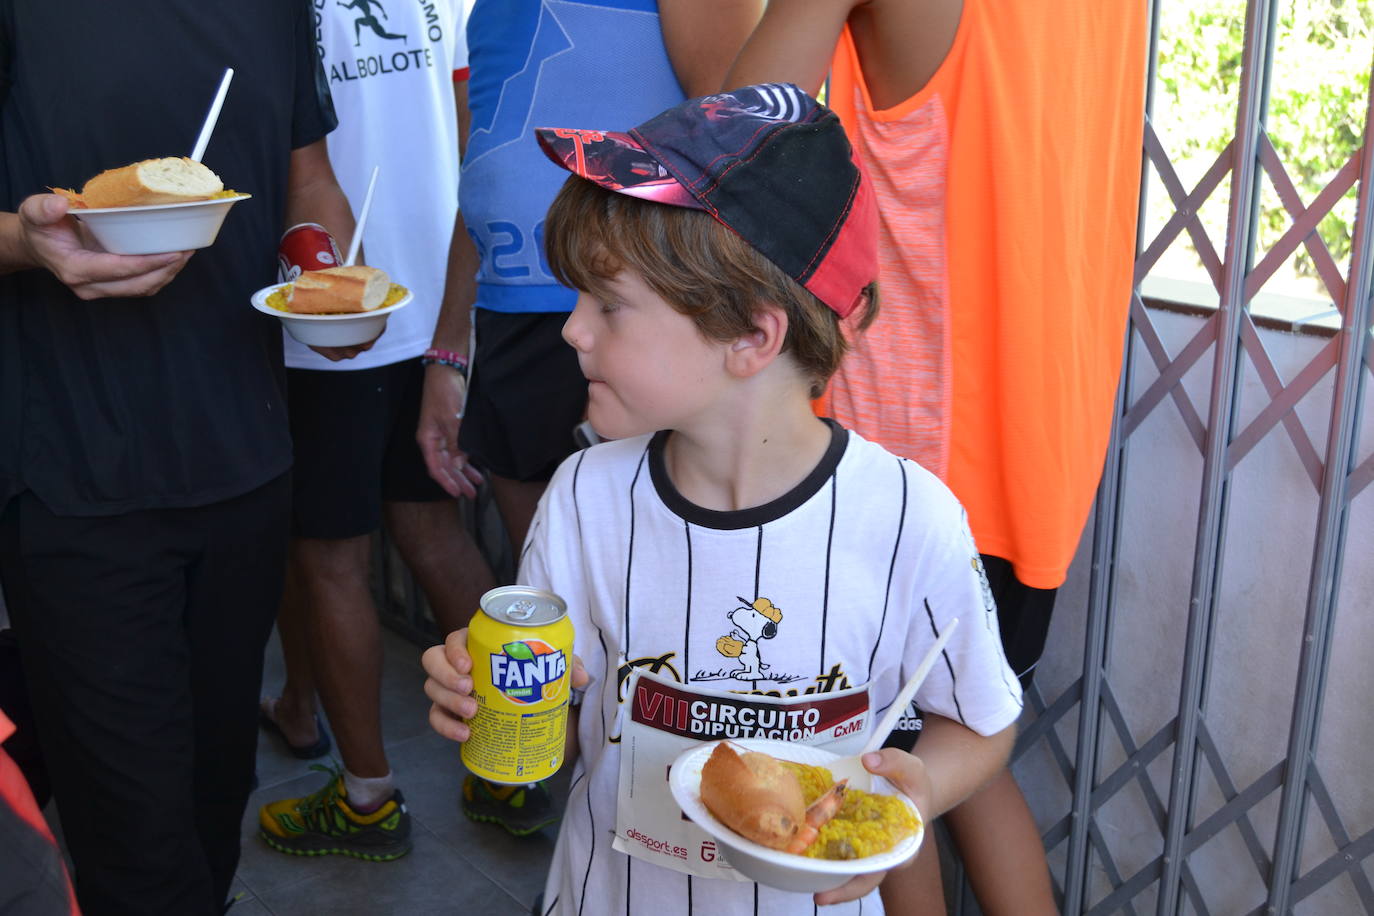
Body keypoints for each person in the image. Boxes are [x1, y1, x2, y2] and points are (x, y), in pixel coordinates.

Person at [420, 83, 1025, 914]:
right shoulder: (586, 498)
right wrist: (492, 698)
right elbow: (557, 727)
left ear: (751, 335)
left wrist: (919, 792)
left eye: (611, 304)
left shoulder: (908, 519)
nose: (572, 330)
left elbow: (982, 720)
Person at [724, 3, 1148, 913]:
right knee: (962, 757)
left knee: (876, 767)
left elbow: (734, 138)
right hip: (1039, 457)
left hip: (907, 472)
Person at [0, 2, 355, 912]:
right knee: (134, 838)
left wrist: (330, 277)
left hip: (246, 456)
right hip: (73, 479)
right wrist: (27, 245)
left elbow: (305, 177)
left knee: (213, 793)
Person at [416, 0, 763, 835]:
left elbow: (740, 128)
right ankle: (588, 809)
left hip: (636, 316)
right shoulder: (483, 13)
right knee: (557, 587)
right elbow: (486, 164)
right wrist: (446, 349)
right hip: (506, 314)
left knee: (670, 594)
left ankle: (688, 814)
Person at [254, 0, 497, 864]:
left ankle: (364, 799)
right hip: (435, 296)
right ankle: (518, 768)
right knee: (429, 528)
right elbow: (481, 140)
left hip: (321, 314)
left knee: (326, 557)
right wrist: (455, 335)